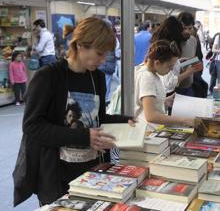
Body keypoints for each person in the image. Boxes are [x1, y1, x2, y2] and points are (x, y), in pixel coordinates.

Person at [13, 17, 133, 206]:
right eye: (99, 54)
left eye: (106, 55)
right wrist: (84, 137)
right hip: (56, 175)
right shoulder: (48, 77)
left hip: (94, 171)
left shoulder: (98, 78)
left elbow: (98, 118)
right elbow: (32, 126)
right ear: (80, 46)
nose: (102, 61)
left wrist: (125, 121)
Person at [134, 40, 194, 131]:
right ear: (157, 63)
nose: (171, 70)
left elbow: (145, 103)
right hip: (146, 130)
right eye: (169, 66)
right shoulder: (147, 77)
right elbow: (151, 116)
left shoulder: (149, 72)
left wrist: (164, 101)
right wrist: (184, 120)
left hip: (148, 129)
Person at [151, 16, 201, 114]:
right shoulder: (167, 47)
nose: (185, 32)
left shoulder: (188, 41)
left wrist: (178, 64)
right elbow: (168, 82)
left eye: (189, 28)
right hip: (170, 93)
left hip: (171, 95)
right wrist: (187, 72)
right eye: (183, 29)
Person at [175, 12, 198, 97]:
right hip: (174, 89)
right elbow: (168, 68)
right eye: (184, 28)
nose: (187, 31)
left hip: (189, 87)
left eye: (190, 28)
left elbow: (192, 59)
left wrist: (194, 62)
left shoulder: (193, 40)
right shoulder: (173, 42)